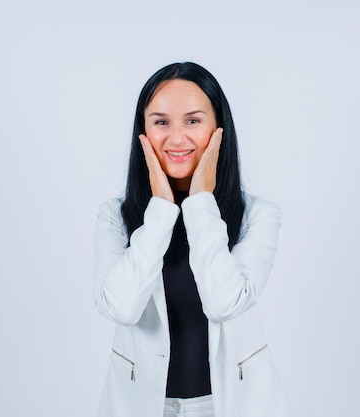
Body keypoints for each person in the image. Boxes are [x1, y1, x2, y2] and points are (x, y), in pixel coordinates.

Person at [94, 62, 290, 417]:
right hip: (140, 406)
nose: (177, 137)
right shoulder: (114, 216)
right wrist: (161, 210)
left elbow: (223, 304)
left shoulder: (259, 215)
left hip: (230, 406)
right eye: (161, 122)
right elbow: (121, 307)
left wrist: (200, 203)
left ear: (219, 129)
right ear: (144, 131)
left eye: (193, 121)